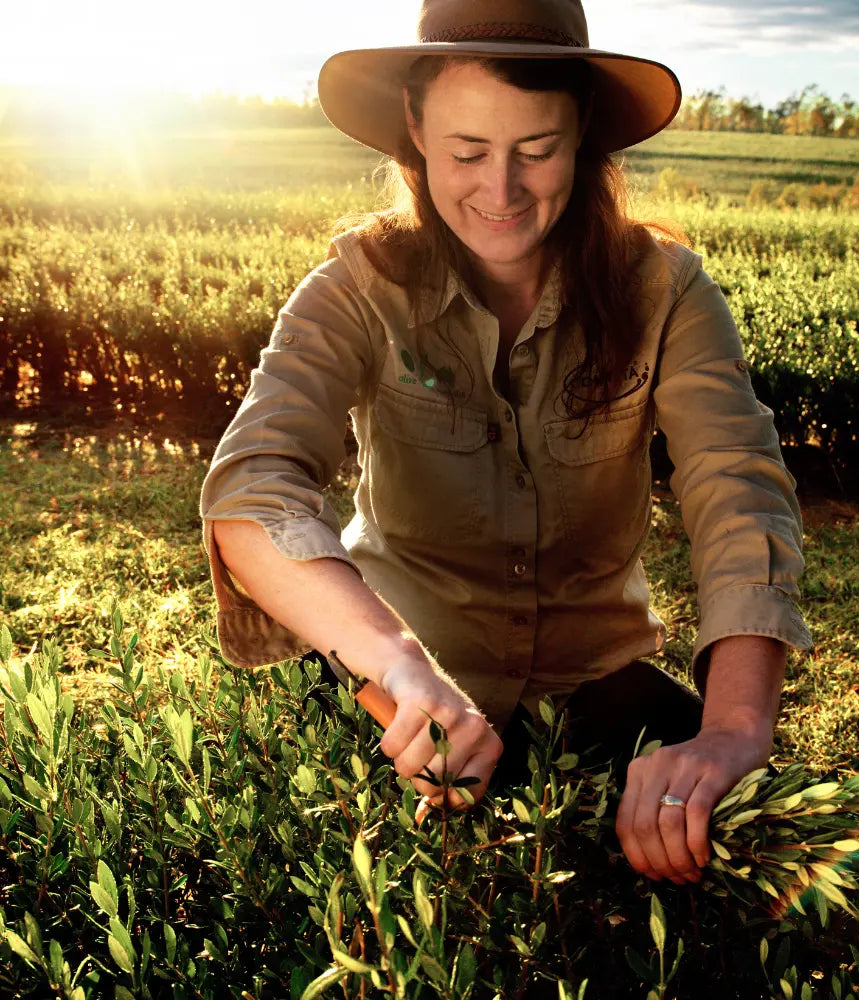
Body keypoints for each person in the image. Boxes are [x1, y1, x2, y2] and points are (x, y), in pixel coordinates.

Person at [199, 0, 812, 887]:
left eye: (536, 150)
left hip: (597, 686)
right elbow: (255, 490)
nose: (500, 190)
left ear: (584, 133)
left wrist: (733, 730)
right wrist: (399, 666)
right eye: (466, 152)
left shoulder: (666, 290)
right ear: (414, 128)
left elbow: (739, 487)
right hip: (400, 688)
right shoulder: (354, 286)